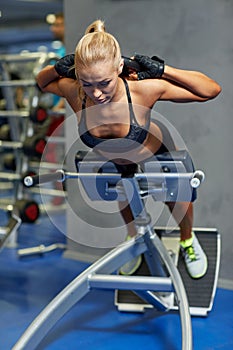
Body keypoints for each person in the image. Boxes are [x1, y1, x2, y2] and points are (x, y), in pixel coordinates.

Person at [36, 19, 221, 279]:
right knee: (122, 190)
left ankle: (187, 241)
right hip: (115, 158)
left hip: (155, 150)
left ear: (120, 67)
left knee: (175, 195)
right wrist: (57, 68)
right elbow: (42, 83)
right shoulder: (75, 92)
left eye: (104, 83)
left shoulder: (141, 90)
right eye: (88, 83)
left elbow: (211, 90)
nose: (97, 93)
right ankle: (133, 238)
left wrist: (162, 70)